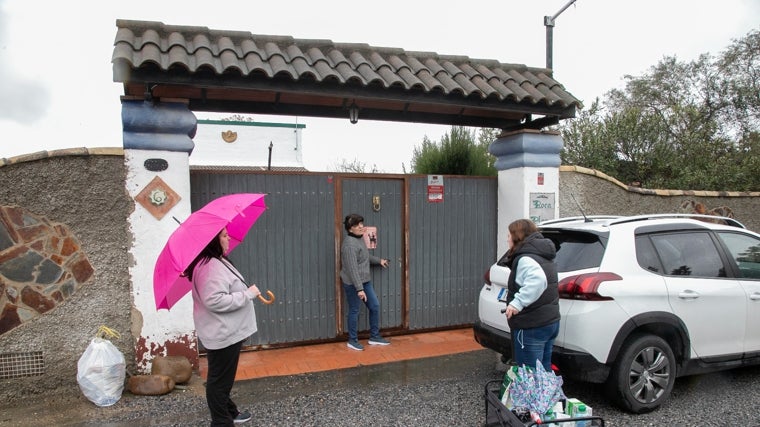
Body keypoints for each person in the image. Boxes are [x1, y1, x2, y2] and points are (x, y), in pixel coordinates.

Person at [184, 227, 260, 426]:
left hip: (225, 331)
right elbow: (214, 301)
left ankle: (231, 412)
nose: (228, 239)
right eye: (224, 236)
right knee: (219, 383)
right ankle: (221, 422)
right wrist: (248, 294)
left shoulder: (215, 261)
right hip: (223, 333)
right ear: (213, 241)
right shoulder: (210, 266)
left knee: (221, 379)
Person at [503, 219, 560, 371]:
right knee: (544, 370)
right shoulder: (541, 253)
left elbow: (538, 280)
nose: (507, 239)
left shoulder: (525, 258)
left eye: (509, 235)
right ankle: (547, 395)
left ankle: (531, 396)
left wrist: (517, 303)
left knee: (529, 373)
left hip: (531, 325)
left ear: (517, 236)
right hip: (549, 322)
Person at [340, 213, 391, 351]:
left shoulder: (359, 239)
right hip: (353, 284)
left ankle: (374, 336)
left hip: (365, 282)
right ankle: (352, 340)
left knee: (374, 306)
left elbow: (365, 257)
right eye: (358, 225)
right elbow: (352, 270)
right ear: (351, 229)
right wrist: (359, 289)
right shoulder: (349, 245)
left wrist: (379, 261)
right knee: (354, 310)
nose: (361, 227)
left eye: (362, 224)